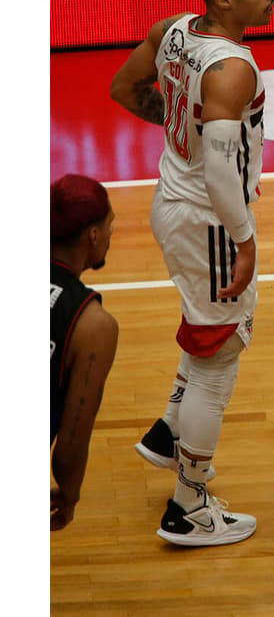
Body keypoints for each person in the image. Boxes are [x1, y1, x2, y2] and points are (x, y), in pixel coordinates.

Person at [108, 0, 274, 546]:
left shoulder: (173, 29)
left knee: (203, 327)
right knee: (219, 354)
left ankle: (165, 434)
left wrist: (179, 127)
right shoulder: (232, 68)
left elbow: (125, 90)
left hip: (172, 203)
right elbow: (219, 170)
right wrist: (245, 239)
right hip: (208, 220)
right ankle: (190, 506)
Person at [51, 174, 119, 531]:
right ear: (93, 236)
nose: (111, 237)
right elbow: (70, 445)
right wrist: (69, 495)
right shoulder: (93, 326)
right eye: (109, 228)